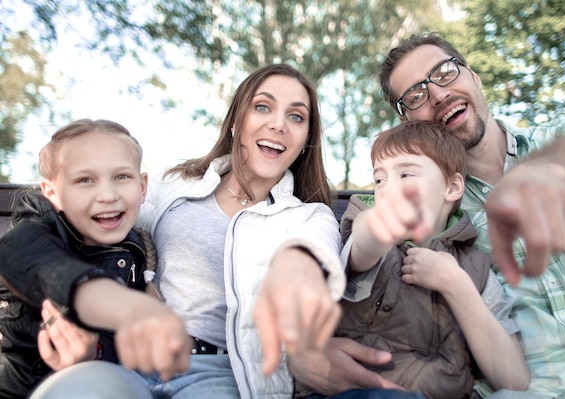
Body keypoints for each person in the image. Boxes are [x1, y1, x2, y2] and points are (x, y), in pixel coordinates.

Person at [289, 32, 565, 398]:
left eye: (445, 72)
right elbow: (352, 258)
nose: (437, 93)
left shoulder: (561, 135)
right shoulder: (434, 218)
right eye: (415, 95)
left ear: (475, 77)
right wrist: (299, 352)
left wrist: (548, 179)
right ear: (408, 121)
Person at [30, 63, 346, 399]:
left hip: (219, 375)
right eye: (263, 107)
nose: (278, 124)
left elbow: (318, 257)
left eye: (296, 117)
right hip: (132, 360)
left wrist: (299, 268)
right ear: (237, 122)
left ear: (305, 141)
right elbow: (91, 228)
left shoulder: (309, 216)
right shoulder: (175, 185)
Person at [296, 121, 528, 399]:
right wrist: (377, 226)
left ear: (452, 187)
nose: (387, 188)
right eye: (380, 179)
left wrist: (455, 283)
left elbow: (514, 379)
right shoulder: (364, 237)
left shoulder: (474, 267)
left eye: (406, 174)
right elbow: (362, 250)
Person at [0, 119, 190, 399]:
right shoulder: (39, 222)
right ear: (52, 193)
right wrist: (107, 299)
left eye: (122, 177)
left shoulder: (135, 258)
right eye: (84, 180)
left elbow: (117, 343)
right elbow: (24, 253)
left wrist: (95, 352)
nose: (107, 195)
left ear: (142, 186)